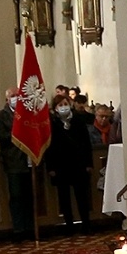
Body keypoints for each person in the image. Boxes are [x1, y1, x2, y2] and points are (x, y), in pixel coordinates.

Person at [45, 91, 94, 231]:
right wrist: (51, 167)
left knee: (82, 196)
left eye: (66, 104)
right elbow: (49, 147)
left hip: (78, 164)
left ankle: (86, 224)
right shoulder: (52, 123)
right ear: (55, 108)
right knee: (64, 197)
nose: (64, 107)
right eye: (60, 105)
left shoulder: (78, 121)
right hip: (61, 166)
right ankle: (69, 225)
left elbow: (86, 143)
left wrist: (88, 163)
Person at [0, 96, 33, 241]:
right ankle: (18, 229)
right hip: (13, 161)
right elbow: (2, 136)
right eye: (12, 96)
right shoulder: (1, 116)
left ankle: (30, 228)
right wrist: (18, 130)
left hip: (28, 160)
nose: (16, 99)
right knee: (16, 197)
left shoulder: (27, 113)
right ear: (7, 99)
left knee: (29, 196)